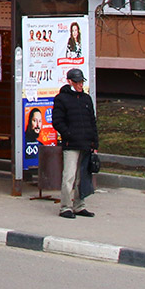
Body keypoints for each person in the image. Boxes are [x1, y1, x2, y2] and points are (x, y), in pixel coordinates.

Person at [51, 68, 98, 218]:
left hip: (86, 143)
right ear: (70, 81)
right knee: (69, 176)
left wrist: (94, 143)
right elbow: (57, 121)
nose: (80, 85)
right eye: (77, 82)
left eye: (81, 82)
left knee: (82, 177)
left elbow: (92, 121)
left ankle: (79, 205)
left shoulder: (86, 98)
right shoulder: (61, 99)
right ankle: (65, 207)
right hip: (71, 144)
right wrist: (69, 134)